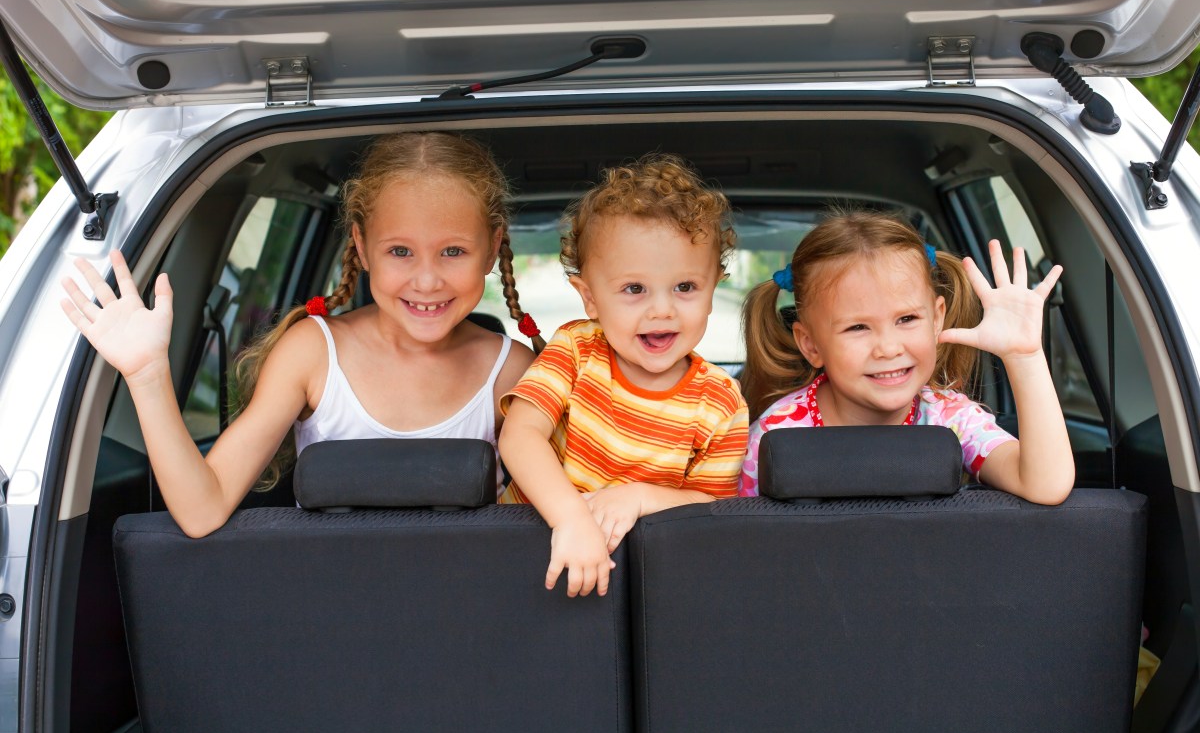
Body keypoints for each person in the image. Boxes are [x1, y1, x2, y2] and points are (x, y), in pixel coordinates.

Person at [60, 132, 539, 537]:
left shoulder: (510, 371)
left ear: (492, 248)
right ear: (362, 247)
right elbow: (202, 510)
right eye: (400, 251)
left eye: (453, 251)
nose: (427, 280)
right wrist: (147, 374)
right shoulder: (313, 353)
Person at [498, 154, 749, 598]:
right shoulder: (576, 350)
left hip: (651, 586)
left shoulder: (721, 400)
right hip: (533, 564)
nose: (662, 309)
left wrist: (640, 497)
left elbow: (716, 508)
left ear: (715, 287)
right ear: (590, 297)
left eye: (685, 287)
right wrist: (572, 520)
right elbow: (520, 437)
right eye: (634, 289)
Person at [739, 211, 1074, 505]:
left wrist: (1024, 357)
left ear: (937, 318)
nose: (888, 347)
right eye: (857, 327)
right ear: (811, 345)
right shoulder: (775, 435)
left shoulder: (952, 419)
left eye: (907, 319)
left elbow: (1045, 485)